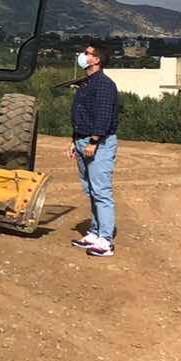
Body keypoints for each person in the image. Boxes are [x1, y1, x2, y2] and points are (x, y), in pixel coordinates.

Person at [65, 41, 119, 257]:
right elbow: (82, 114)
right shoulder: (87, 83)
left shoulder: (104, 85)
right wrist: (74, 140)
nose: (82, 55)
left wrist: (94, 141)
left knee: (101, 191)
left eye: (87, 53)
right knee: (91, 190)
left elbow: (103, 116)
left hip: (98, 143)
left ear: (96, 60)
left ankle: (105, 241)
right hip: (82, 140)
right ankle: (94, 233)